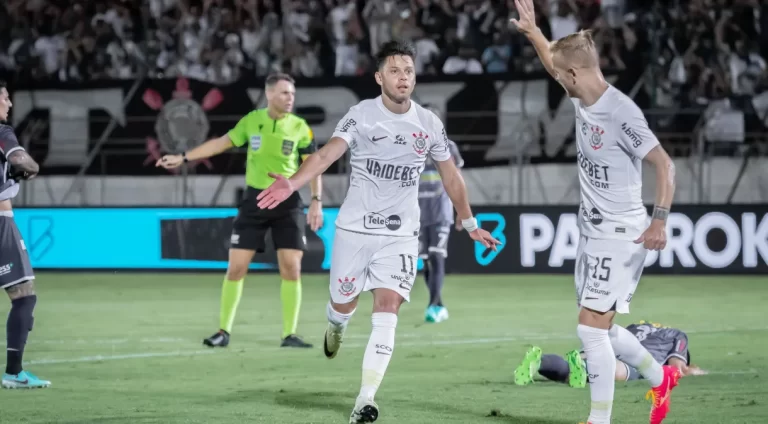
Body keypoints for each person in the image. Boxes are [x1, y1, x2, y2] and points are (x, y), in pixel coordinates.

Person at [256, 40, 501, 423]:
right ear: (379, 77)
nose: (403, 78)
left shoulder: (428, 123)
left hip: (401, 234)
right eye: (394, 71)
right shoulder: (362, 115)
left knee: (387, 309)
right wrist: (292, 183)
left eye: (408, 71)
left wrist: (469, 223)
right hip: (355, 230)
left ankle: (365, 400)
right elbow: (325, 155)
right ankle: (336, 326)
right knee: (343, 305)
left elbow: (452, 177)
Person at [511, 1, 680, 423]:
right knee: (599, 329)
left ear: (575, 75)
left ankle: (599, 419)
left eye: (560, 74)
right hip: (591, 231)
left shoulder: (621, 111)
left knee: (588, 329)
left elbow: (664, 164)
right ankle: (659, 380)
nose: (556, 77)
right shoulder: (581, 95)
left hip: (622, 233)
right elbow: (554, 60)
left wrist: (659, 219)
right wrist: (534, 30)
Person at [156, 73, 323, 349]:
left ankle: (289, 334)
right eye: (284, 93)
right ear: (269, 95)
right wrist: (184, 157)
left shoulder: (300, 127)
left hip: (288, 201)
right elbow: (221, 143)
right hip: (255, 200)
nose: (290, 98)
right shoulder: (251, 121)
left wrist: (316, 200)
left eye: (292, 93)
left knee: (291, 269)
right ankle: (223, 332)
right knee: (235, 269)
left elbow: (313, 165)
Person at [0, 81, 49, 389]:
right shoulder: (2, 132)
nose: (8, 104)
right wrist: (31, 168)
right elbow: (20, 160)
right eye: (3, 98)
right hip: (0, 222)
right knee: (24, 295)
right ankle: (14, 373)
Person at [513, 321, 706, 388]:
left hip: (613, 341)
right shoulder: (678, 336)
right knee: (615, 371)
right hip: (638, 359)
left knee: (572, 365)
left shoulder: (640, 325)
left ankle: (539, 361)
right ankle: (582, 368)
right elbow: (677, 368)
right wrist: (697, 372)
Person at [417, 104, 464, 323]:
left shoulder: (448, 147)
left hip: (440, 211)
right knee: (426, 260)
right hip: (416, 214)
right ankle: (438, 303)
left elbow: (456, 180)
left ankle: (432, 306)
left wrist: (461, 211)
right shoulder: (411, 146)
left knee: (437, 256)